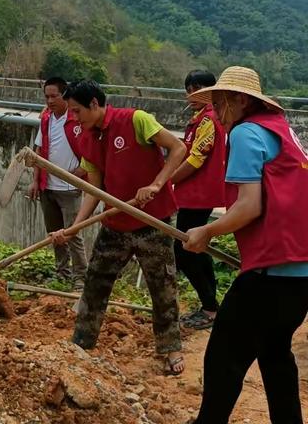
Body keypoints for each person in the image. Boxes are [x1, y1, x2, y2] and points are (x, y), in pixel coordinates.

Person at [184, 66, 308, 424]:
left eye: (221, 103)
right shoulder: (281, 131)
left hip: (273, 272)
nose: (218, 114)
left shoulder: (246, 133)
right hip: (300, 273)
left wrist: (206, 232)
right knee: (274, 352)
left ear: (241, 101)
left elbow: (249, 206)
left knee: (224, 356)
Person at [53, 80, 187, 375]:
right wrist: (75, 227)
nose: (74, 118)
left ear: (94, 104)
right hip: (115, 224)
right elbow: (95, 188)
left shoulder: (136, 120)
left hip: (153, 221)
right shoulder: (87, 138)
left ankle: (170, 348)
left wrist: (156, 184)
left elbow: (178, 148)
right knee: (95, 284)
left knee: (162, 287)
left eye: (77, 111)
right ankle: (81, 343)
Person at [171, 70, 226, 330]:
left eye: (196, 89)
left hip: (198, 195)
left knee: (185, 252)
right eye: (189, 89)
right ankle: (210, 305)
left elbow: (196, 159)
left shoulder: (208, 120)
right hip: (196, 194)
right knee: (196, 249)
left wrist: (168, 180)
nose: (190, 95)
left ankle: (210, 308)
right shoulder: (200, 119)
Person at [29, 77, 88, 291]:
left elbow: (90, 151)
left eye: (54, 96)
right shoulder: (46, 120)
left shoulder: (76, 120)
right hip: (48, 186)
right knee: (55, 234)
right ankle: (62, 272)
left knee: (73, 235)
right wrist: (35, 180)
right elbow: (38, 151)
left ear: (64, 96)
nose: (50, 101)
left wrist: (81, 171)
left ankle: (81, 276)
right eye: (47, 96)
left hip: (69, 189)